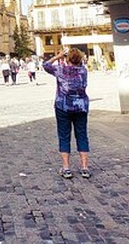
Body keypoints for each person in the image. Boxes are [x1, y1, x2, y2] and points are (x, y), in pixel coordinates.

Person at [43, 48, 91, 180]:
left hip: (63, 107)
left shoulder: (60, 70)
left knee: (64, 136)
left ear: (66, 58)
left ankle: (66, 168)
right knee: (82, 135)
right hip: (81, 107)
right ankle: (85, 167)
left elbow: (45, 65)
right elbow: (78, 63)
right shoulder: (83, 71)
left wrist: (58, 56)